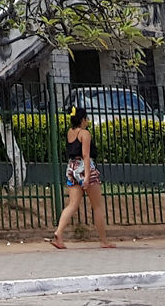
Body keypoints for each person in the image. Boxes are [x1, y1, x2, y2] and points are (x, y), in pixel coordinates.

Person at [49, 105, 114, 248]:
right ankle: (103, 240)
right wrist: (87, 176)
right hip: (84, 167)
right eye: (87, 119)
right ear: (83, 119)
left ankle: (59, 233)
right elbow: (86, 154)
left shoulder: (70, 132)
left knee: (72, 204)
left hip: (71, 167)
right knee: (97, 206)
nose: (88, 121)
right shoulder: (85, 134)